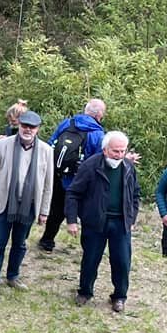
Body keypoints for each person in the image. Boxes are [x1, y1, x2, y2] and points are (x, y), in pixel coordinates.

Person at [0, 109, 54, 297]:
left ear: (38, 129)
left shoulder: (46, 150)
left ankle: (13, 276)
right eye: (25, 126)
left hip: (29, 206)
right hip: (4, 203)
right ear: (19, 125)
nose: (28, 130)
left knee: (20, 244)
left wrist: (44, 211)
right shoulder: (2, 145)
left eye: (32, 127)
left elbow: (48, 184)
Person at [65, 129, 140, 313]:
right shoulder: (90, 166)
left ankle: (119, 296)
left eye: (122, 151)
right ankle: (85, 292)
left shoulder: (129, 167)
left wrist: (131, 217)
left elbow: (135, 195)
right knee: (91, 259)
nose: (119, 155)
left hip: (120, 223)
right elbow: (73, 193)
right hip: (95, 222)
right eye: (115, 151)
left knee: (122, 261)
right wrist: (72, 220)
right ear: (105, 149)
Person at [39, 98, 107, 253]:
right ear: (99, 115)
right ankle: (90, 248)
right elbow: (98, 160)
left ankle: (47, 240)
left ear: (86, 110)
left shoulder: (67, 123)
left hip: (57, 173)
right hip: (80, 179)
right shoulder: (98, 134)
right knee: (86, 212)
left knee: (56, 209)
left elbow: (51, 144)